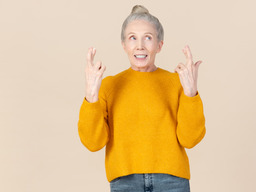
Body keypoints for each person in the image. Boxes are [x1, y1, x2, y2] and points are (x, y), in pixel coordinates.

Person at [78, 5, 206, 192]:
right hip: (125, 182)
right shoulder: (108, 86)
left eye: (148, 37)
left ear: (159, 45)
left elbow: (191, 139)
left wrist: (191, 93)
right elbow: (93, 143)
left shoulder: (177, 83)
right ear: (124, 45)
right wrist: (91, 96)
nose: (140, 46)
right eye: (132, 38)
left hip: (172, 181)